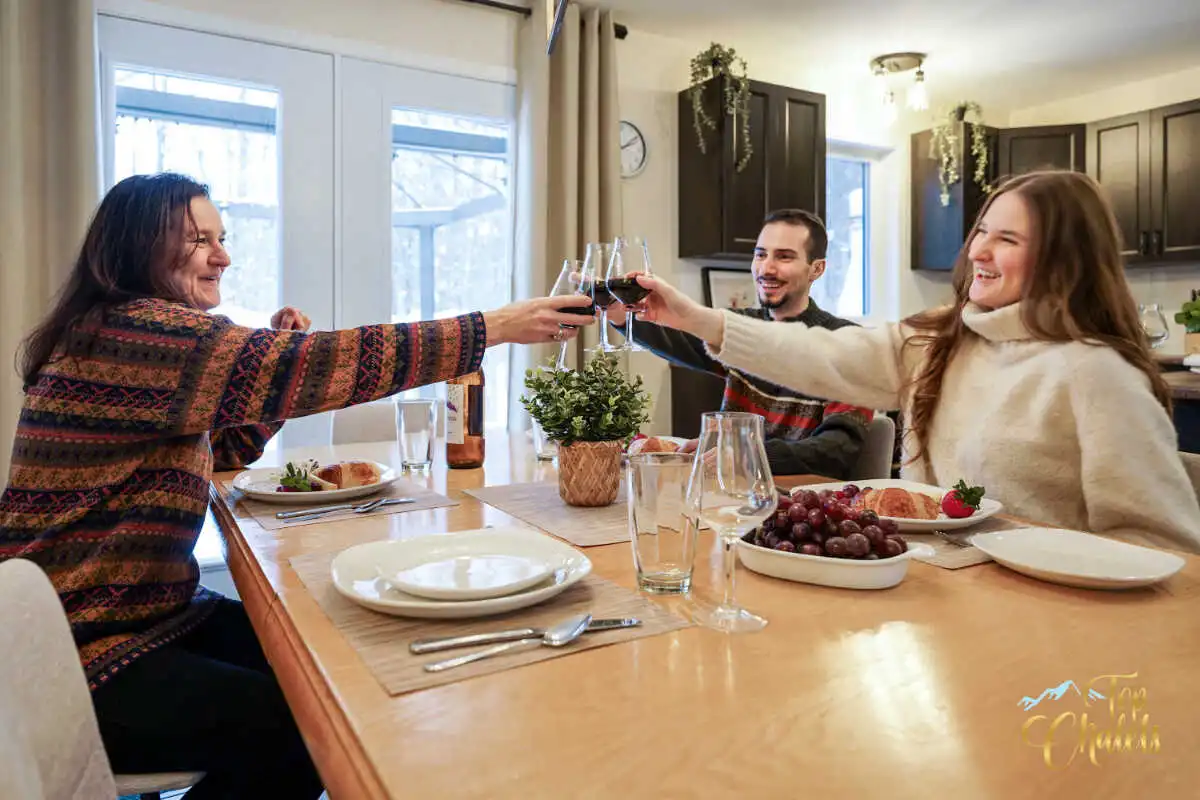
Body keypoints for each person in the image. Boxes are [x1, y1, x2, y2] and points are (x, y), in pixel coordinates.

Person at [0, 172, 592, 798]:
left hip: (144, 618)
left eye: (222, 238)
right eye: (199, 240)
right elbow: (315, 365)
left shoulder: (121, 334)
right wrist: (492, 326)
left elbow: (227, 447)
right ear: (138, 247)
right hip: (77, 653)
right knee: (310, 725)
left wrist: (275, 370)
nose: (223, 256)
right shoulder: (135, 333)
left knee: (324, 663)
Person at [628, 170, 1200, 554]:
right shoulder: (940, 339)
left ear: (1063, 258)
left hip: (1046, 630)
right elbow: (819, 352)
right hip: (927, 591)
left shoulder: (1097, 373)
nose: (978, 250)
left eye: (1007, 239)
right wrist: (694, 318)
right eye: (981, 231)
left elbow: (1163, 548)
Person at [609, 209, 875, 479]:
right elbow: (679, 341)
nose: (766, 269)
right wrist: (616, 312)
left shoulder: (848, 344)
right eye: (760, 255)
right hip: (733, 491)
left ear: (817, 269)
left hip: (802, 497)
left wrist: (746, 453)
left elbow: (836, 451)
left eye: (784, 256)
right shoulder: (741, 326)